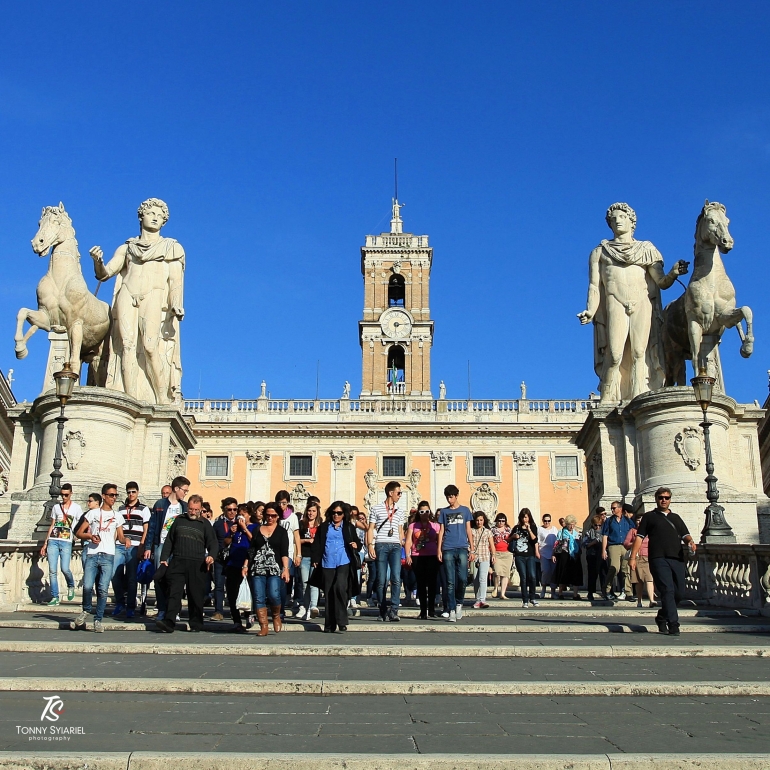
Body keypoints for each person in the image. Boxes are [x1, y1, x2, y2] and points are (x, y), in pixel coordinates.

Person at [577, 201, 688, 403]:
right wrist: (590, 310)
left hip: (641, 302)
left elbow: (661, 282)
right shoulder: (599, 252)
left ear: (631, 221)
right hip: (614, 302)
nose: (617, 221)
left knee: (640, 352)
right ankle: (608, 397)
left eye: (622, 217)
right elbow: (594, 286)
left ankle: (640, 397)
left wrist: (673, 272)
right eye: (613, 219)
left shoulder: (646, 249)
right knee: (616, 354)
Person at [90, 198, 185, 405]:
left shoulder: (171, 247)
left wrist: (176, 303)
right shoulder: (127, 248)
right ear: (141, 216)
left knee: (150, 346)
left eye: (160, 216)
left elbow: (176, 280)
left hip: (153, 295)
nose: (155, 218)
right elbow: (105, 274)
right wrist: (98, 262)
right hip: (127, 293)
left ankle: (161, 398)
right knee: (127, 345)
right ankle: (129, 399)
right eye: (151, 213)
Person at [629, 488, 696, 636]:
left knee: (679, 593)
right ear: (656, 499)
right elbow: (639, 537)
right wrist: (633, 557)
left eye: (666, 497)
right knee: (667, 590)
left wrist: (691, 542)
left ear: (670, 499)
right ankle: (674, 625)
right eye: (661, 497)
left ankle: (661, 616)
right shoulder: (649, 517)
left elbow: (686, 535)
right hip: (658, 559)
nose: (664, 500)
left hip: (677, 558)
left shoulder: (676, 518)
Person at [156, 494, 218, 633]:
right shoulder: (179, 521)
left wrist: (212, 556)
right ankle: (169, 622)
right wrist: (164, 558)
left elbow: (213, 543)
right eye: (191, 509)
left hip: (197, 564)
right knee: (174, 592)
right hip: (178, 561)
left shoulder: (205, 524)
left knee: (195, 595)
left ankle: (196, 623)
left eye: (196, 509)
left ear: (201, 509)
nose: (193, 512)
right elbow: (170, 540)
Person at [71, 484, 128, 633]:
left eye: (115, 495)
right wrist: (90, 536)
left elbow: (120, 537)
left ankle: (98, 619)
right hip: (92, 554)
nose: (114, 498)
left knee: (102, 589)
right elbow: (78, 532)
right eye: (111, 495)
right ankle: (86, 610)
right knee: (88, 586)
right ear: (103, 496)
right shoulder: (93, 513)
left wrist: (126, 540)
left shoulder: (118, 516)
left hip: (108, 555)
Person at [311, 502, 360, 634]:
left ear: (344, 514)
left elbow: (358, 542)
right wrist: (315, 559)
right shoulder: (324, 527)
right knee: (328, 593)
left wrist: (356, 545)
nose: (336, 515)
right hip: (327, 562)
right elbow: (317, 543)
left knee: (339, 587)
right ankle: (329, 625)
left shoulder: (349, 527)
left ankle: (342, 620)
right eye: (334, 513)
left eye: (339, 513)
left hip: (344, 561)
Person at [144, 476, 189, 620]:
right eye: (184, 490)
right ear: (176, 489)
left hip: (179, 547)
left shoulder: (185, 507)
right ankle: (162, 609)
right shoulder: (160, 504)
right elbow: (152, 527)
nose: (186, 493)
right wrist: (148, 547)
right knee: (159, 577)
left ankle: (173, 610)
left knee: (176, 579)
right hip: (161, 545)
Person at [244, 502, 290, 636]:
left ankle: (276, 615)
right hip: (257, 568)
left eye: (273, 516)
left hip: (274, 568)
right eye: (268, 515)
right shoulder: (257, 529)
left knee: (274, 594)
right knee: (259, 597)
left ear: (278, 516)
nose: (270, 518)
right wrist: (246, 565)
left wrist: (285, 568)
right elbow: (252, 549)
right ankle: (263, 626)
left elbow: (284, 552)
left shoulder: (281, 531)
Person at [367, 480, 406, 622]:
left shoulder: (400, 511)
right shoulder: (376, 509)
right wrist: (370, 545)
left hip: (395, 545)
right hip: (381, 544)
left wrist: (402, 544)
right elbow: (371, 528)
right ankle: (382, 610)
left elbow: (401, 530)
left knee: (396, 578)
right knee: (381, 579)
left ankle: (394, 610)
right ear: (391, 493)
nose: (400, 495)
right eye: (398, 492)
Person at [111, 482, 150, 619]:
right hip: (119, 546)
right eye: (129, 492)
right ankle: (120, 602)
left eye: (133, 492)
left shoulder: (144, 509)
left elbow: (146, 529)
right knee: (114, 574)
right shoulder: (120, 509)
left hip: (134, 546)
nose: (131, 494)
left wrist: (142, 546)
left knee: (132, 578)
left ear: (138, 492)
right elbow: (117, 528)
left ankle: (131, 607)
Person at [437, 484, 473, 623]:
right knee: (450, 581)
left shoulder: (465, 510)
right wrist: (439, 549)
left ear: (456, 496)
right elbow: (441, 531)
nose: (449, 499)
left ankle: (459, 603)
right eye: (447, 497)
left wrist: (472, 548)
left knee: (463, 578)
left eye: (451, 496)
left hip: (462, 547)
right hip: (448, 548)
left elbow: (468, 530)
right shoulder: (444, 513)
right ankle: (452, 609)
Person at [41, 483, 81, 606]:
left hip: (67, 541)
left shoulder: (76, 508)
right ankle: (55, 596)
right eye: (62, 495)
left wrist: (76, 534)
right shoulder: (56, 507)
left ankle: (70, 585)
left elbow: (81, 523)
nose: (63, 497)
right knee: (52, 570)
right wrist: (45, 542)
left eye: (66, 495)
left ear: (71, 494)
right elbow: (52, 525)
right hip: (54, 539)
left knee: (65, 568)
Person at [404, 501, 440, 619]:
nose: (424, 513)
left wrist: (440, 552)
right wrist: (408, 555)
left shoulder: (435, 525)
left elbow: (440, 540)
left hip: (432, 555)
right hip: (417, 556)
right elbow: (408, 540)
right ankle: (423, 611)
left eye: (427, 511)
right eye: (422, 511)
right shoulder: (413, 526)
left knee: (432, 583)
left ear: (430, 512)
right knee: (421, 583)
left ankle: (432, 610)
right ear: (419, 513)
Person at [224, 504, 255, 633]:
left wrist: (244, 528)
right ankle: (236, 621)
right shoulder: (235, 528)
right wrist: (231, 533)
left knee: (249, 591)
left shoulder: (255, 527)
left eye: (244, 514)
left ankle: (249, 616)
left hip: (248, 564)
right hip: (233, 563)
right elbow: (226, 542)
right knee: (232, 593)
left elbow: (254, 540)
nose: (241, 517)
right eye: (240, 514)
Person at [211, 497, 238, 621]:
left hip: (235, 559)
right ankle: (218, 611)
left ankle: (235, 611)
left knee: (234, 586)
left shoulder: (240, 523)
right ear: (224, 510)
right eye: (229, 509)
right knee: (219, 586)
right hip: (220, 559)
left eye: (234, 509)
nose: (232, 512)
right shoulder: (218, 524)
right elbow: (213, 542)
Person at [602, 500, 634, 601]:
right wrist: (604, 550)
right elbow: (605, 536)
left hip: (625, 546)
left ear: (620, 509)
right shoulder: (609, 521)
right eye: (611, 508)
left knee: (626, 570)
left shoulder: (628, 521)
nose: (612, 510)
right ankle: (606, 589)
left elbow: (634, 533)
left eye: (614, 508)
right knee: (614, 568)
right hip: (613, 546)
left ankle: (628, 592)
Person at [276, 491, 301, 617]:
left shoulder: (293, 517)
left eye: (284, 503)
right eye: (279, 503)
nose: (281, 505)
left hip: (289, 553)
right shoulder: (274, 515)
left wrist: (298, 554)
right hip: (275, 553)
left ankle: (281, 607)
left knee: (283, 580)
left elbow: (297, 536)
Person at [297, 500, 322, 619]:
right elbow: (296, 540)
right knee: (305, 584)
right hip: (305, 556)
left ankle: (313, 607)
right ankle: (305, 607)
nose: (311, 513)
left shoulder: (321, 525)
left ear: (317, 513)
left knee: (314, 584)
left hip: (316, 557)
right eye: (309, 511)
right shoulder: (301, 524)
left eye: (313, 511)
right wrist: (307, 540)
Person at [625, 511, 655, 608]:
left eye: (641, 521)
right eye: (638, 520)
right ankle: (639, 600)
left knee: (649, 578)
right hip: (636, 557)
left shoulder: (650, 532)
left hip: (647, 557)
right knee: (639, 581)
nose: (639, 522)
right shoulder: (632, 531)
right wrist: (635, 543)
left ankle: (651, 600)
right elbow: (625, 543)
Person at [511, 509, 539, 607]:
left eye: (526, 517)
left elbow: (535, 539)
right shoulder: (516, 528)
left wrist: (529, 529)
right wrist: (514, 536)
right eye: (523, 517)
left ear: (529, 517)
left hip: (530, 555)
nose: (524, 519)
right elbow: (509, 539)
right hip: (519, 556)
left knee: (532, 576)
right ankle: (525, 600)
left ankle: (533, 597)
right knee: (523, 577)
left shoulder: (533, 527)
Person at [553, 515, 583, 600]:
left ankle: (575, 594)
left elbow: (579, 544)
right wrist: (554, 554)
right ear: (566, 524)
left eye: (573, 524)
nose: (572, 526)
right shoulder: (561, 532)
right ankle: (560, 593)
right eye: (570, 524)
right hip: (564, 554)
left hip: (575, 555)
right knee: (563, 574)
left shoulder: (576, 533)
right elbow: (556, 544)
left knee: (576, 574)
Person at [470, 511, 495, 609]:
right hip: (474, 557)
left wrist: (493, 555)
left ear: (484, 520)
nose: (479, 522)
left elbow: (491, 545)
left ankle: (482, 599)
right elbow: (469, 543)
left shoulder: (488, 531)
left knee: (482, 579)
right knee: (475, 579)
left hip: (484, 557)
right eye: (477, 520)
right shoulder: (471, 531)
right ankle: (478, 599)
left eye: (481, 520)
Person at [581, 513, 605, 601]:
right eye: (596, 525)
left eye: (599, 525)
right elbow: (584, 544)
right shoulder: (589, 532)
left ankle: (604, 591)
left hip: (602, 555)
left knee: (603, 573)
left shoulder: (604, 531)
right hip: (592, 555)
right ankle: (590, 592)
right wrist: (593, 542)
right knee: (592, 574)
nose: (598, 527)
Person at [537, 513, 559, 600]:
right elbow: (537, 542)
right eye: (545, 521)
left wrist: (556, 553)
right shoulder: (540, 529)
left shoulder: (554, 529)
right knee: (545, 571)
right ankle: (543, 589)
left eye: (548, 521)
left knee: (553, 572)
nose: (547, 522)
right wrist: (537, 552)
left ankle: (553, 592)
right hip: (544, 553)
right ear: (543, 521)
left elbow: (557, 542)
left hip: (553, 554)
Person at [490, 513, 512, 600]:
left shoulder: (509, 530)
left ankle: (502, 593)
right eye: (499, 520)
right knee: (497, 572)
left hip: (507, 553)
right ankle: (496, 588)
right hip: (497, 553)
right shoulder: (492, 530)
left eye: (503, 521)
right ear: (496, 521)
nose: (501, 522)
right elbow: (490, 542)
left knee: (505, 574)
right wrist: (492, 553)